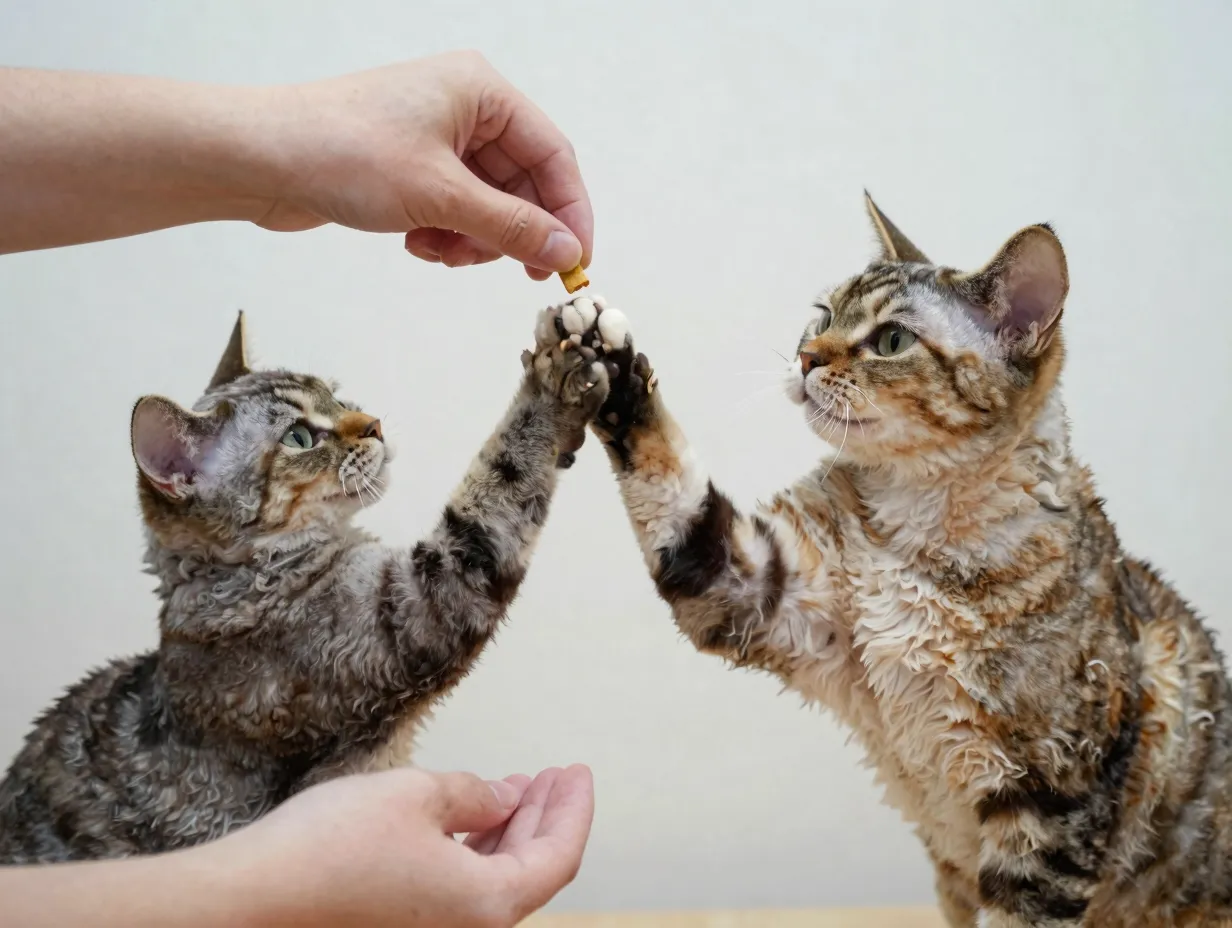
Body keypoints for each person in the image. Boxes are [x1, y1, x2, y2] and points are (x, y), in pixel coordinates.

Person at [0, 52, 596, 926]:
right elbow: (454, 590)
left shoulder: (232, 635)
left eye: (337, 411)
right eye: (307, 440)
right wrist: (545, 404)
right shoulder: (255, 626)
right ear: (184, 480)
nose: (365, 433)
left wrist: (286, 157)